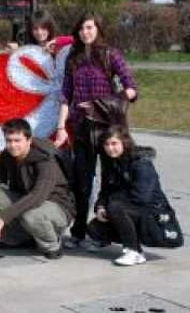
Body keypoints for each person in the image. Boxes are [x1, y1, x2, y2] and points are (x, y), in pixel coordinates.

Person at [53, 13, 138, 249]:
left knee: (111, 182)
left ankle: (106, 233)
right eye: (81, 28)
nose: (85, 32)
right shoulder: (73, 57)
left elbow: (131, 89)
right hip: (81, 129)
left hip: (109, 128)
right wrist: (61, 127)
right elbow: (65, 95)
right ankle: (78, 231)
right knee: (82, 182)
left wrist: (101, 103)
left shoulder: (110, 54)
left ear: (98, 29)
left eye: (89, 27)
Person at [0, 119, 75, 259]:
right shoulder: (8, 155)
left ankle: (52, 245)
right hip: (29, 202)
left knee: (30, 215)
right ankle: (19, 239)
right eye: (9, 140)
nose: (12, 145)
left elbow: (37, 196)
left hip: (57, 206)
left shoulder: (45, 159)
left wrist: (2, 217)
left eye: (17, 140)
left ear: (29, 140)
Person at [87, 126, 180, 266]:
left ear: (124, 142)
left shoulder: (141, 163)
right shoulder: (111, 163)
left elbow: (141, 197)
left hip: (153, 214)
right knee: (94, 228)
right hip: (129, 209)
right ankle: (106, 239)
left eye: (114, 144)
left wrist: (111, 205)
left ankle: (134, 251)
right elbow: (105, 191)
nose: (110, 148)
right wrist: (100, 207)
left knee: (115, 206)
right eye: (106, 144)